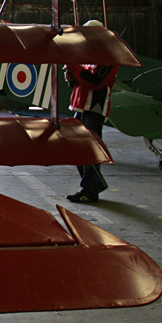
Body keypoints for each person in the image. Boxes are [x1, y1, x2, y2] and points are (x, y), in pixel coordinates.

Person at [64, 20, 118, 203]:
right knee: (75, 148)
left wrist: (75, 69)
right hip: (81, 106)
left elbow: (96, 82)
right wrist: (72, 76)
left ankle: (89, 190)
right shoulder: (87, 54)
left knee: (89, 150)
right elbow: (80, 81)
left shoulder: (108, 56)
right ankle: (95, 184)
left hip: (94, 109)